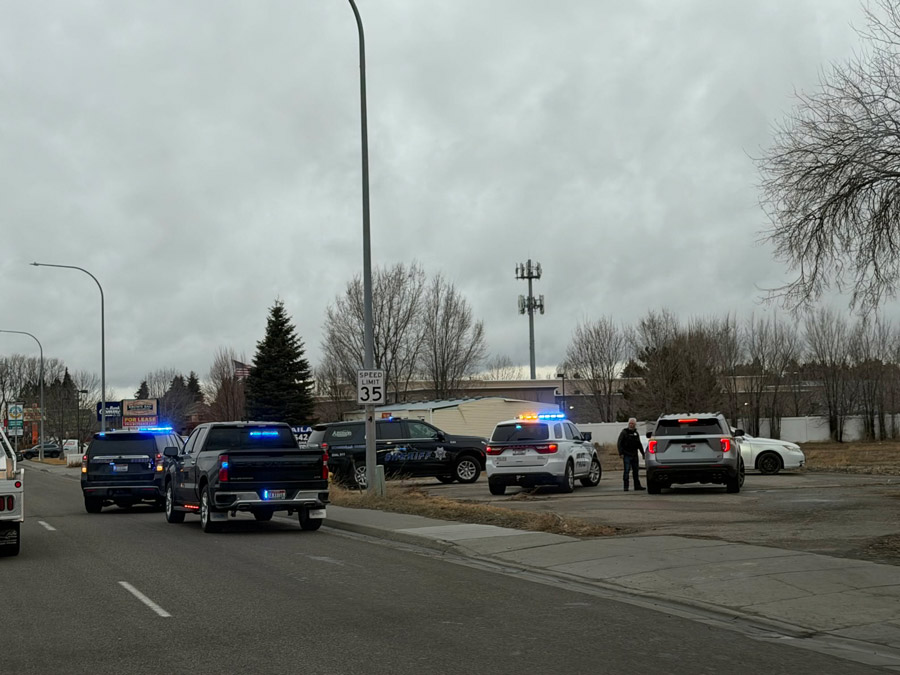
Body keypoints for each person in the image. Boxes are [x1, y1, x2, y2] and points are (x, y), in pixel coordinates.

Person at [617, 418, 645, 491]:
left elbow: (639, 444)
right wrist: (621, 453)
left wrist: (643, 453)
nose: (631, 425)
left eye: (632, 423)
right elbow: (619, 443)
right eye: (630, 423)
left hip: (634, 454)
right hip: (626, 454)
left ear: (635, 424)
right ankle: (626, 486)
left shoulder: (636, 433)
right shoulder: (624, 432)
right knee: (626, 471)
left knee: (636, 471)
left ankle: (637, 486)